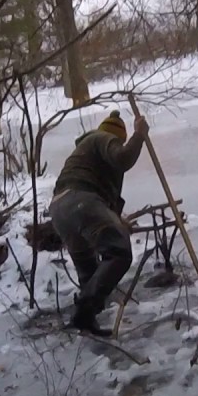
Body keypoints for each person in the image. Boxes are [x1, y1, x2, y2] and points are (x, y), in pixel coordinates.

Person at [48, 109, 149, 336]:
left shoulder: (85, 154)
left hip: (60, 209)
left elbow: (104, 201)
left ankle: (85, 323)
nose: (117, 145)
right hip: (81, 200)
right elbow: (123, 159)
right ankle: (83, 310)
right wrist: (139, 135)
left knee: (89, 271)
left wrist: (116, 221)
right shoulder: (102, 137)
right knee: (119, 252)